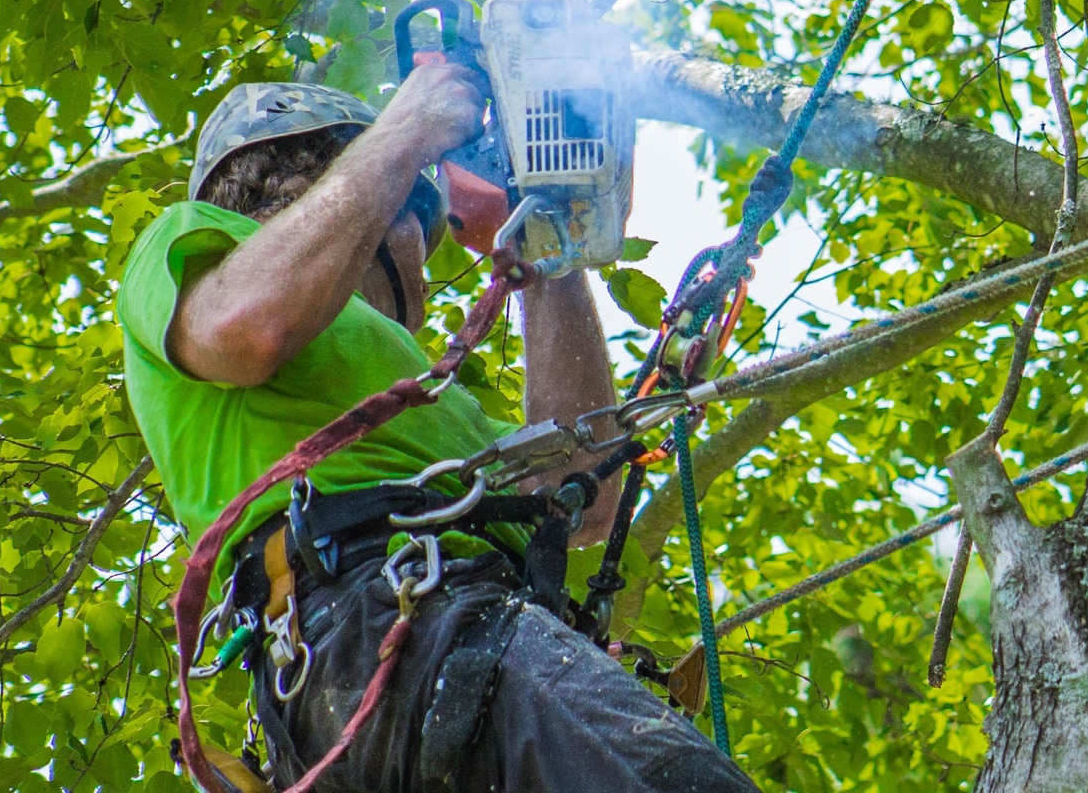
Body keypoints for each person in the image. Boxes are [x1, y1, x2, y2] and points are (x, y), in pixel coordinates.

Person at [118, 65, 759, 792]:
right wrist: (410, 126)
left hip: (415, 662)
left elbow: (581, 491)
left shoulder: (435, 409)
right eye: (421, 231)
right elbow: (246, 328)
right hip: (389, 626)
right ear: (377, 202)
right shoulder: (195, 247)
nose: (426, 274)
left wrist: (542, 254)